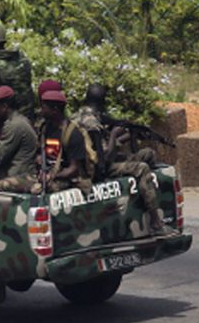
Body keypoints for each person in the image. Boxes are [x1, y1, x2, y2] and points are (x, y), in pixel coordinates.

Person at [71, 83, 172, 235]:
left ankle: (145, 194)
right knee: (142, 168)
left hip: (87, 163)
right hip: (97, 169)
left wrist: (130, 135)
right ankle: (156, 222)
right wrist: (114, 134)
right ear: (103, 102)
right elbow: (104, 159)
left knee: (147, 154)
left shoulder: (78, 116)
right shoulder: (93, 123)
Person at [31, 90, 94, 195]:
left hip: (69, 178)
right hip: (46, 174)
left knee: (37, 190)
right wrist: (39, 161)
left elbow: (74, 169)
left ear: (55, 110)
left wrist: (52, 176)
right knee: (8, 184)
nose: (41, 111)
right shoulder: (45, 128)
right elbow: (40, 152)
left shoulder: (72, 133)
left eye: (44, 107)